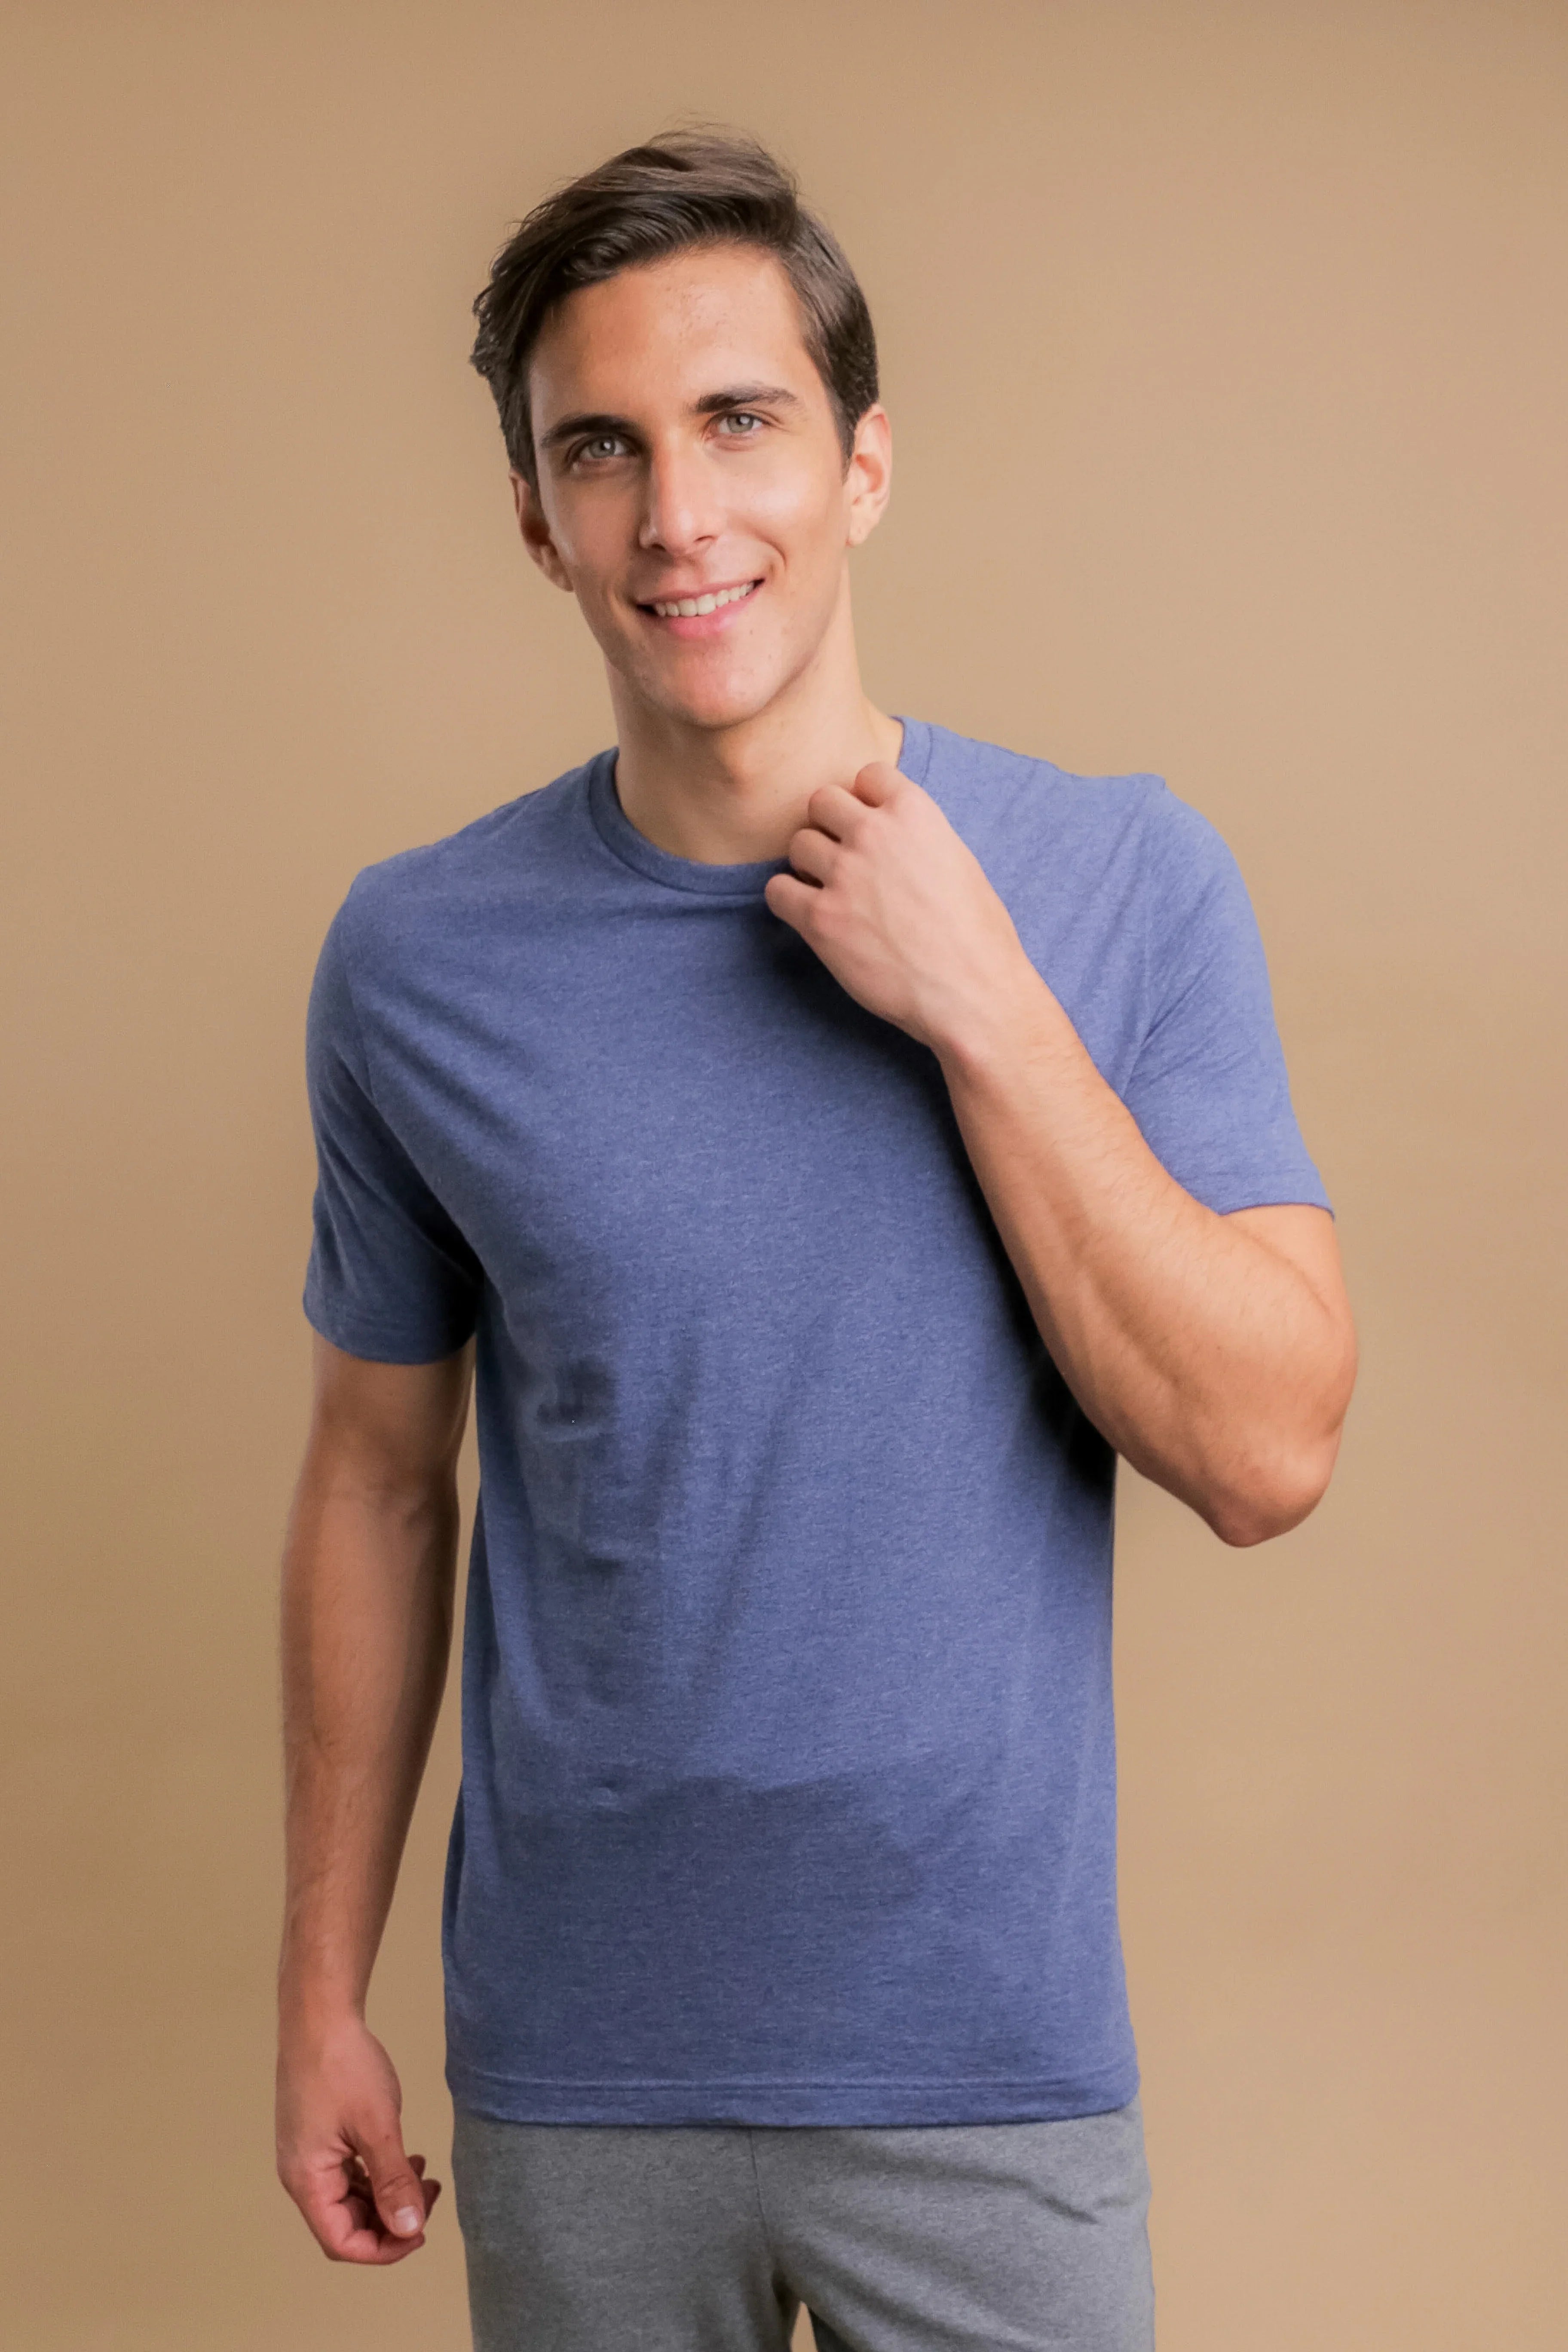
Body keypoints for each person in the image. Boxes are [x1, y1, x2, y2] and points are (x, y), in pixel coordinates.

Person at [274, 130, 1357, 2352]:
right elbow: (378, 1479)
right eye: (602, 449)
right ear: (536, 517)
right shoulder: (416, 959)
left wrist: (984, 1004)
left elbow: (1268, 1453)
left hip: (984, 2068)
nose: (678, 516)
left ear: (862, 464)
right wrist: (318, 1995)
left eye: (741, 421)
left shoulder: (1122, 882)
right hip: (579, 2071)